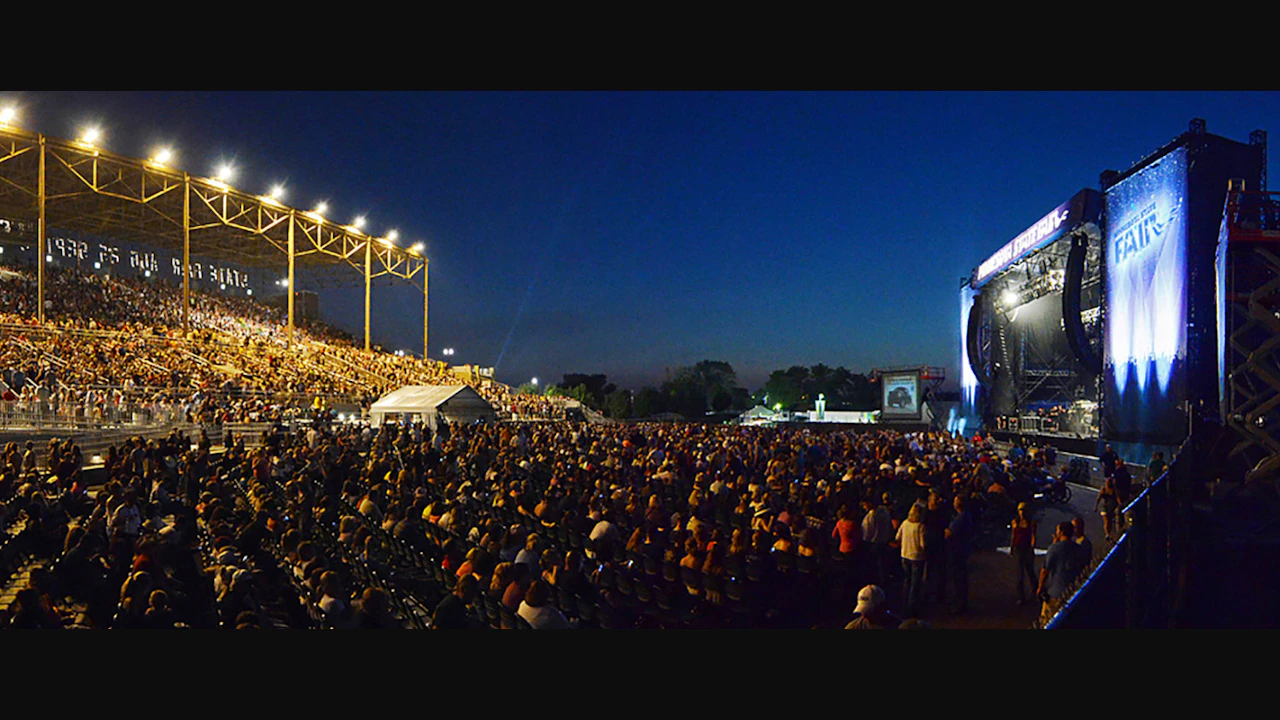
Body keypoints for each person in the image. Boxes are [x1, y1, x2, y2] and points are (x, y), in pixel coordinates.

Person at [1036, 522, 1077, 624]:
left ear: (1062, 532)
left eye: (1057, 530)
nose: (1056, 532)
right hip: (1072, 590)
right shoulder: (1078, 548)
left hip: (1055, 591)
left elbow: (1045, 570)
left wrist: (1040, 587)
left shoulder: (1054, 549)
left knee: (1047, 619)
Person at [895, 503, 926, 617]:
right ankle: (912, 607)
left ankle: (904, 604)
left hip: (905, 555)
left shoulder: (905, 523)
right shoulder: (920, 526)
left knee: (906, 581)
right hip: (917, 557)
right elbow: (923, 544)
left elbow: (898, 537)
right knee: (915, 583)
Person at [944, 495, 973, 614]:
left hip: (958, 549)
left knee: (959, 577)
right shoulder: (965, 516)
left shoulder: (961, 518)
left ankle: (960, 604)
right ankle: (961, 602)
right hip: (962, 548)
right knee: (959, 576)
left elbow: (949, 533)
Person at [1010, 501, 1037, 606]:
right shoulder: (1015, 522)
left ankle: (1035, 588)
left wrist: (1032, 546)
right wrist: (1012, 547)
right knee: (1019, 573)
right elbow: (1013, 535)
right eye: (1021, 511)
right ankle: (1021, 596)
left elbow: (1033, 535)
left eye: (1024, 511)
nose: (1022, 513)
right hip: (1018, 548)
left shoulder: (1031, 523)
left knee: (1030, 570)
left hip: (1027, 548)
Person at [1095, 478, 1120, 543]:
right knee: (1107, 521)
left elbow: (1117, 498)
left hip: (1111, 508)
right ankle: (1107, 534)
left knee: (1110, 522)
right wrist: (1096, 506)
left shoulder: (1114, 490)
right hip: (1104, 507)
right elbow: (1099, 498)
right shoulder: (1104, 489)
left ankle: (1109, 533)